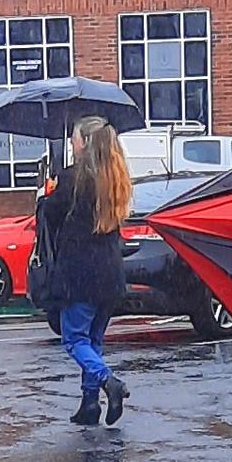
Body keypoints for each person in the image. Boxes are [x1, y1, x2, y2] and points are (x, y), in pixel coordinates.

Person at [42, 116, 133, 426]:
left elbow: (50, 217)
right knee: (93, 340)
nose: (71, 143)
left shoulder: (73, 179)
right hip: (110, 274)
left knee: (74, 340)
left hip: (80, 274)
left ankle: (109, 383)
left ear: (85, 143)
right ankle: (89, 404)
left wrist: (47, 194)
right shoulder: (115, 177)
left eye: (74, 138)